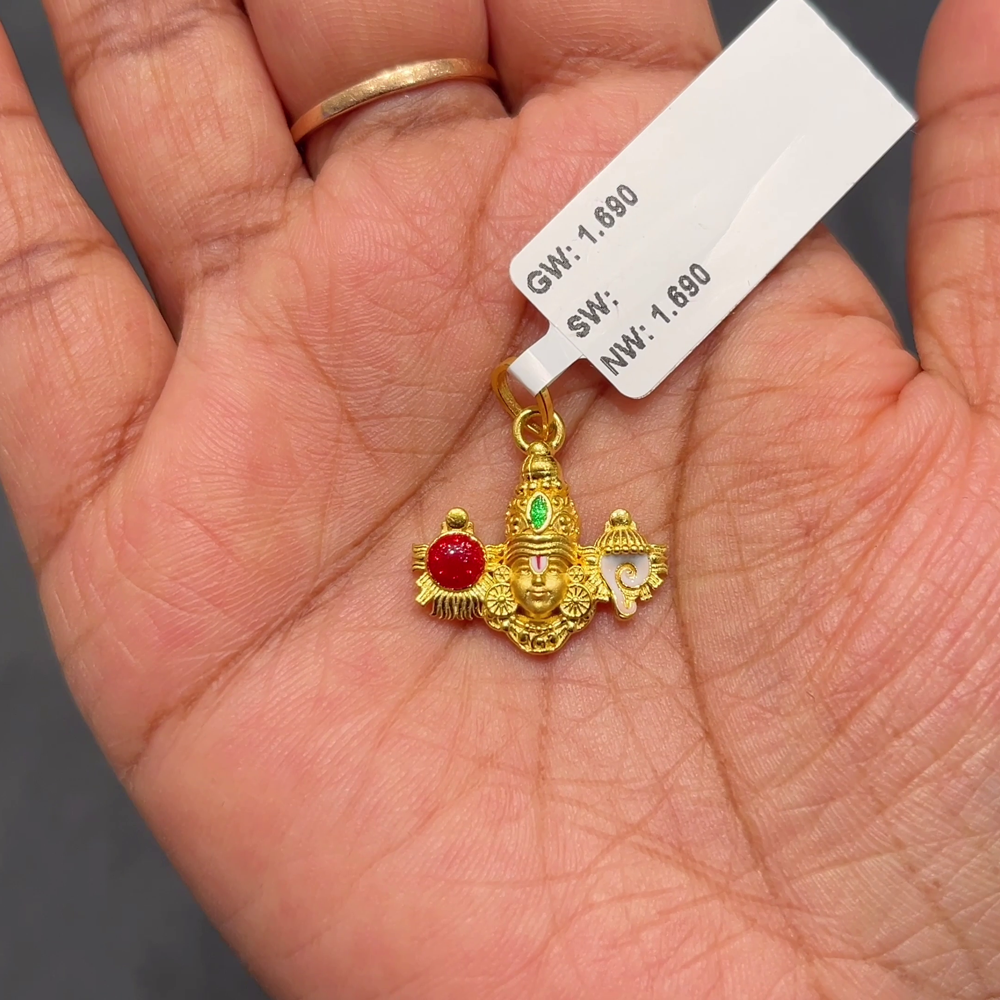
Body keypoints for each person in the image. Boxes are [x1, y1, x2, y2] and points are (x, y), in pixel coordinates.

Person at [0, 0, 996, 995]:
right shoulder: (528, 573)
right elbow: (504, 579)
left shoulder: (542, 574)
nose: (546, 581)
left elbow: (548, 577)